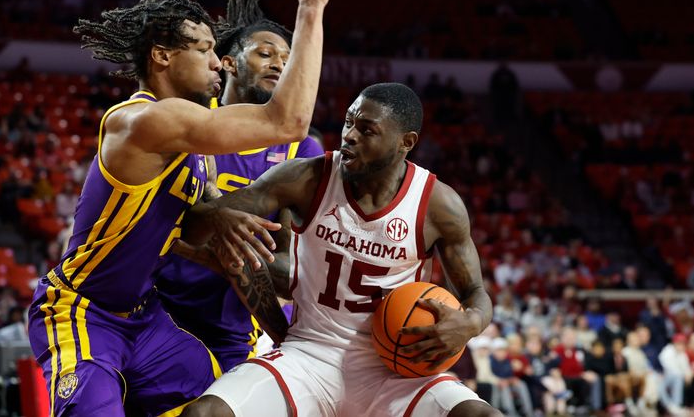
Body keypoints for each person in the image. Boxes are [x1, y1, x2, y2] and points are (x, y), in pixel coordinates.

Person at [26, 0, 332, 416]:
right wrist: (312, 6)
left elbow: (178, 223)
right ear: (164, 55)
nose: (218, 63)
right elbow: (289, 120)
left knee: (212, 404)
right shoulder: (149, 119)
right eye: (206, 50)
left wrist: (216, 214)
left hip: (146, 319)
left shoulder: (185, 145)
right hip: (84, 311)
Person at [181, 83, 500, 416]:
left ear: (406, 142)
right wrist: (215, 213)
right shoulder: (306, 178)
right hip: (308, 355)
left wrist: (470, 323)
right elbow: (195, 229)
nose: (349, 135)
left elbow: (475, 291)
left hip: (397, 371)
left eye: (366, 130)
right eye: (348, 122)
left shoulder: (437, 205)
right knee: (206, 413)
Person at [158, 0, 324, 371]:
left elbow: (287, 264)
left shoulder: (303, 150)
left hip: (232, 323)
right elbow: (161, 225)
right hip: (158, 306)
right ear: (229, 62)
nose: (278, 65)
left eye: (286, 59)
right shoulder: (187, 122)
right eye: (265, 54)